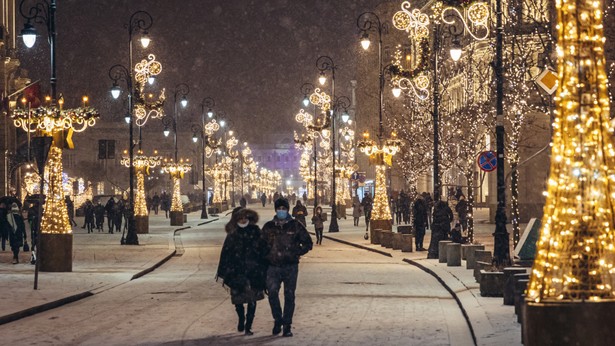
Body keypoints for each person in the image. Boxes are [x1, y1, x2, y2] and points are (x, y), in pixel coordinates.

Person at [261, 198, 313, 337]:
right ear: (276, 210)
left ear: (287, 210)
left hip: (290, 266)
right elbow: (260, 246)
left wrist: (296, 252)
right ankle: (278, 320)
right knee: (272, 294)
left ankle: (287, 325)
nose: (281, 211)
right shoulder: (269, 227)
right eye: (279, 208)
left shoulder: (295, 225)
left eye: (284, 208)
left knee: (289, 295)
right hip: (273, 266)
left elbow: (308, 243)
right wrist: (266, 257)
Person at [216, 208, 268, 336]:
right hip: (237, 272)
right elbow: (225, 254)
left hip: (253, 272)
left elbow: (264, 249)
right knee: (238, 300)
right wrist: (223, 271)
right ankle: (241, 318)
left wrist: (265, 267)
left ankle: (248, 326)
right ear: (236, 220)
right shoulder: (232, 234)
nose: (243, 220)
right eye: (240, 218)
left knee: (252, 299)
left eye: (245, 217)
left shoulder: (255, 231)